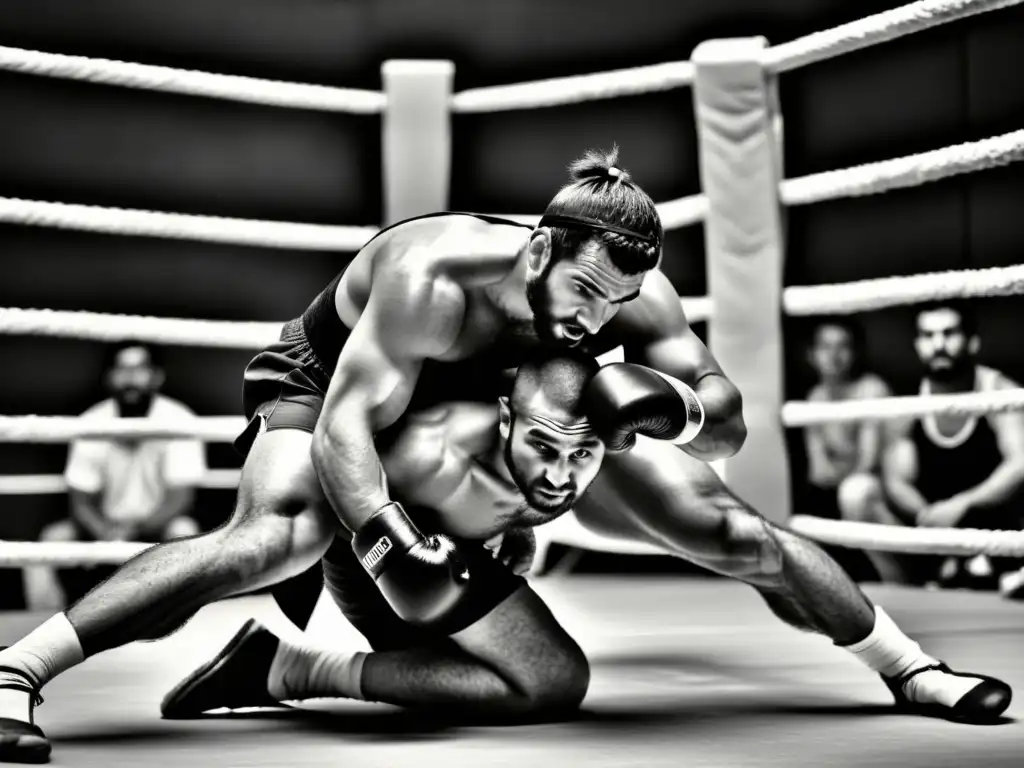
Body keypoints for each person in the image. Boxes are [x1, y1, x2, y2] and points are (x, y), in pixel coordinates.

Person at [0, 150, 1010, 764]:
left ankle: (909, 669)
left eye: (618, 307)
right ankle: (19, 670)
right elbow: (352, 426)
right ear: (538, 251)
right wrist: (388, 533)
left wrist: (662, 400)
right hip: (337, 380)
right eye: (584, 297)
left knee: (727, 530)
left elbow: (728, 417)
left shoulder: (620, 301)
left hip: (523, 412)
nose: (598, 321)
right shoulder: (431, 280)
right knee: (279, 532)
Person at [839, 301, 1024, 594]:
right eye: (928, 335)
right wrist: (930, 514)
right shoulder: (912, 403)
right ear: (917, 344)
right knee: (857, 492)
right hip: (934, 532)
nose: (938, 344)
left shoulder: (998, 391)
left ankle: (990, 573)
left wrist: (961, 505)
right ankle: (910, 590)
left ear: (972, 341)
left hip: (995, 528)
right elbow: (896, 480)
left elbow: (1020, 464)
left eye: (949, 333)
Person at [23, 342, 204, 610]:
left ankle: (183, 627)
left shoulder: (179, 419)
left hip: (155, 528)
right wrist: (105, 532)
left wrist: (136, 530)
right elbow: (81, 501)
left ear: (157, 377)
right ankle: (46, 638)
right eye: (122, 369)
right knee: (49, 542)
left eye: (140, 368)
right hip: (101, 528)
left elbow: (180, 498)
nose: (130, 378)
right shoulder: (92, 421)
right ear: (109, 377)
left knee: (185, 531)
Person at [801, 317, 891, 520]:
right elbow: (818, 471)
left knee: (856, 491)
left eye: (843, 346)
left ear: (855, 353)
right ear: (811, 355)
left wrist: (839, 471)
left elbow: (869, 463)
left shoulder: (871, 388)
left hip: (877, 493)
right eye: (825, 346)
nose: (834, 355)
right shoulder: (814, 397)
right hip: (832, 494)